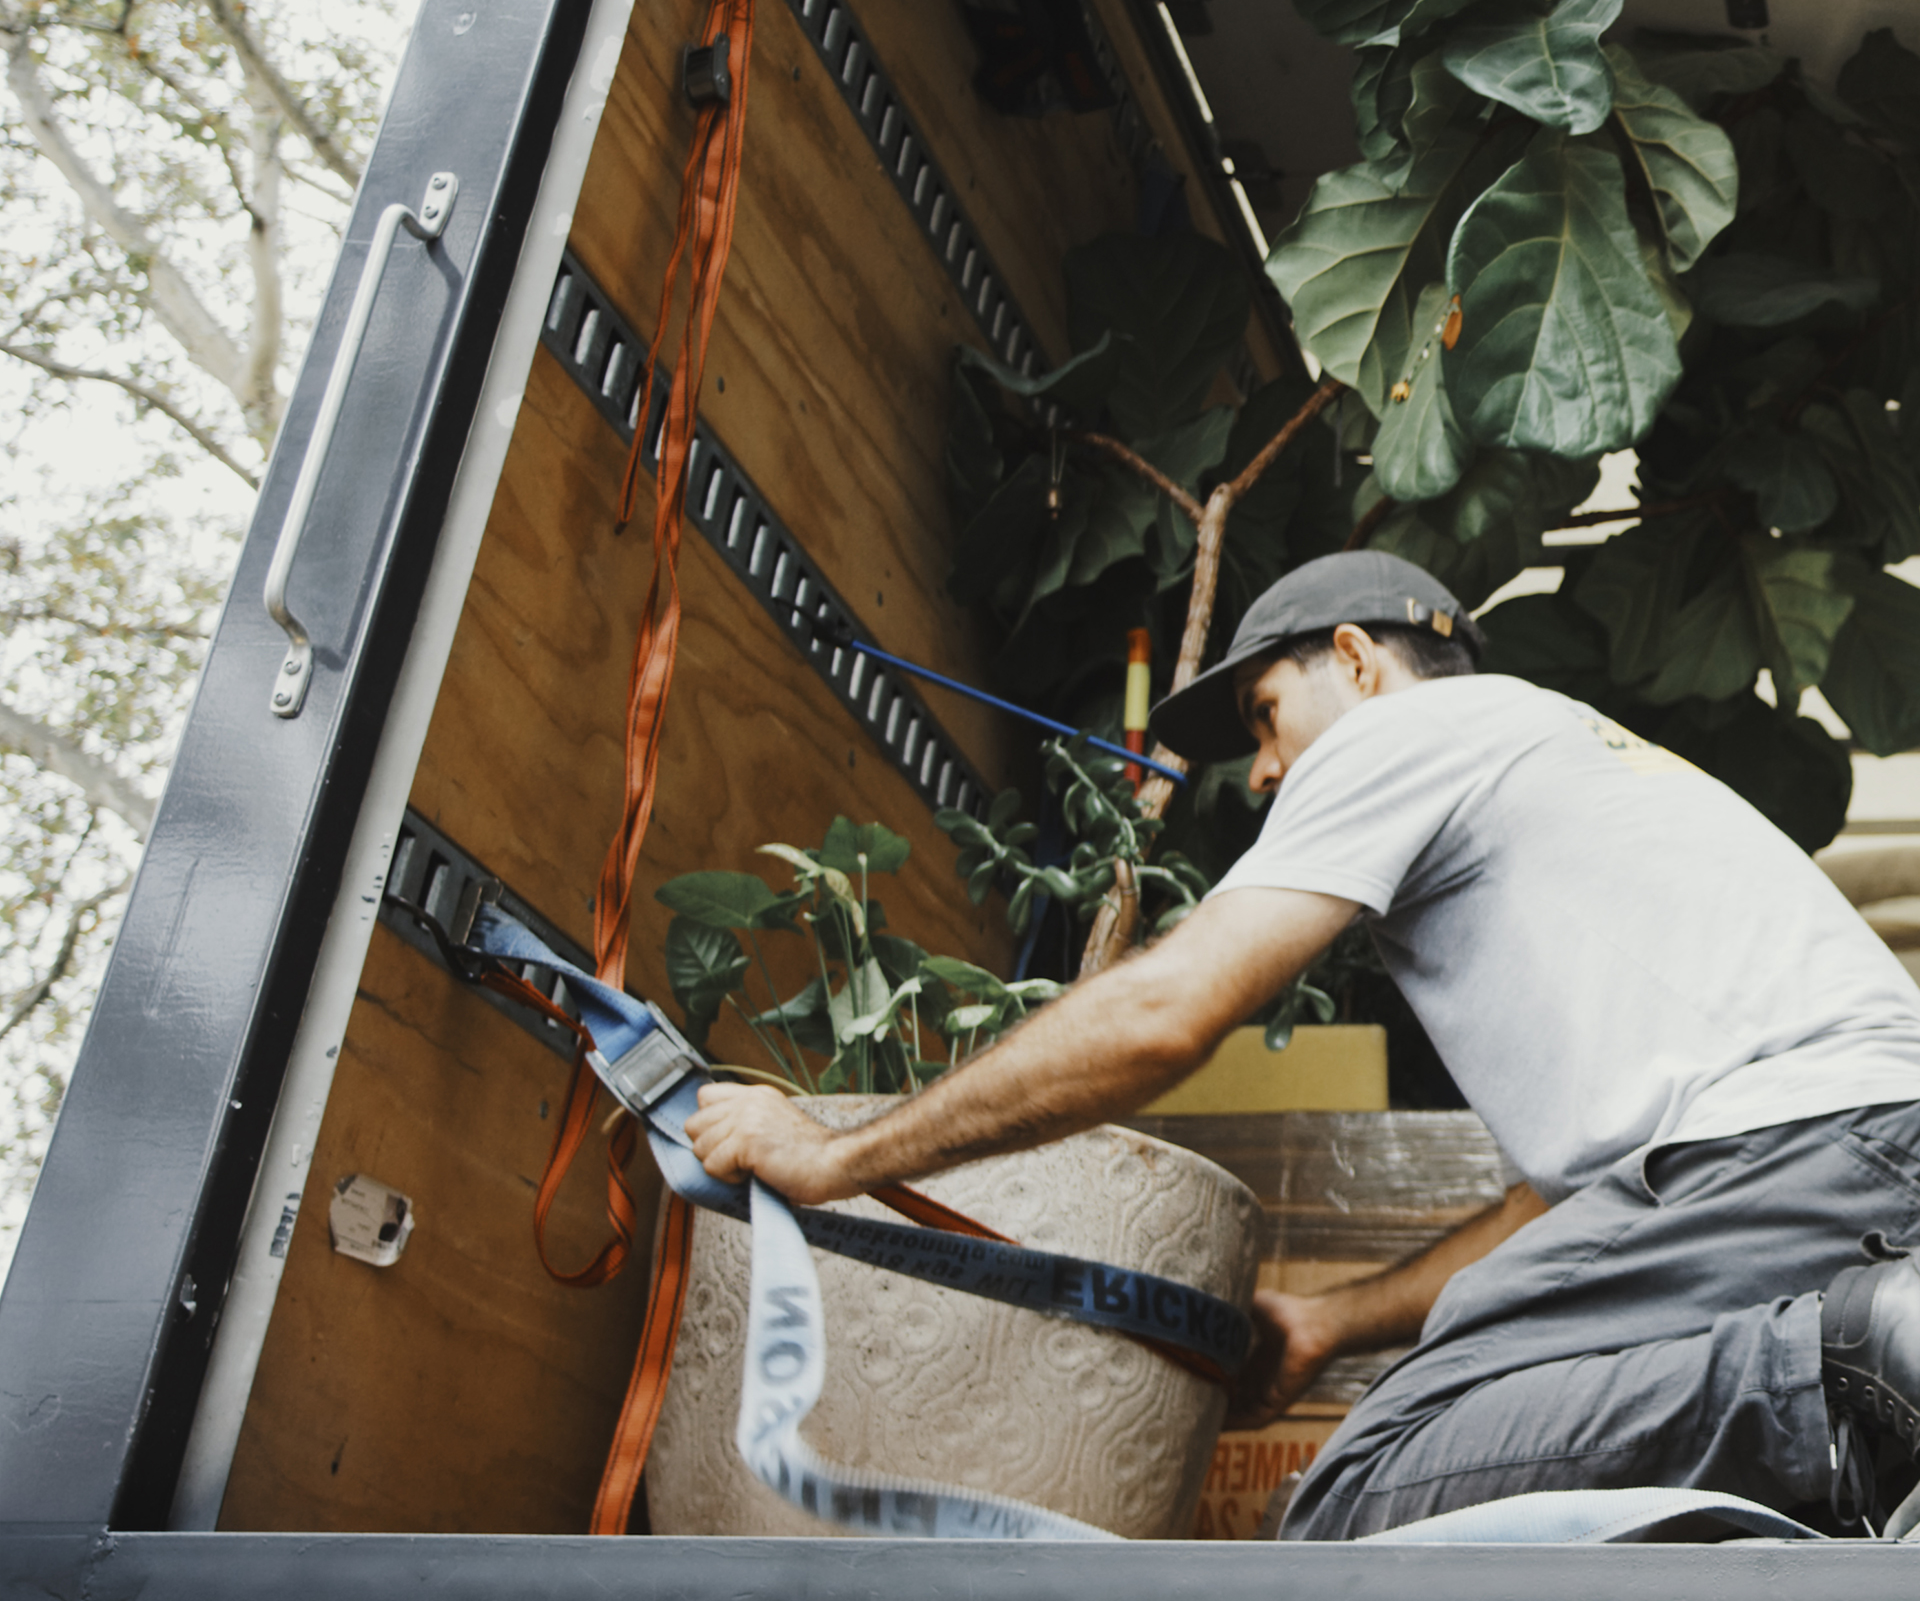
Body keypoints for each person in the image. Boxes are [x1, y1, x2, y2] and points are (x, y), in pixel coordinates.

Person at [686, 550, 1920, 1538]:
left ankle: (1851, 1362)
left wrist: (836, 1154)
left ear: (1356, 660)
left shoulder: (1405, 737)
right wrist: (1333, 1321)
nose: (1267, 772)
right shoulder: (1554, 764)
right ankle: (1852, 1393)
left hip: (1804, 1154)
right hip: (1838, 1161)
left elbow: (1166, 1013)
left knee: (1352, 1502)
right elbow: (1571, 1213)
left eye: (1266, 716)